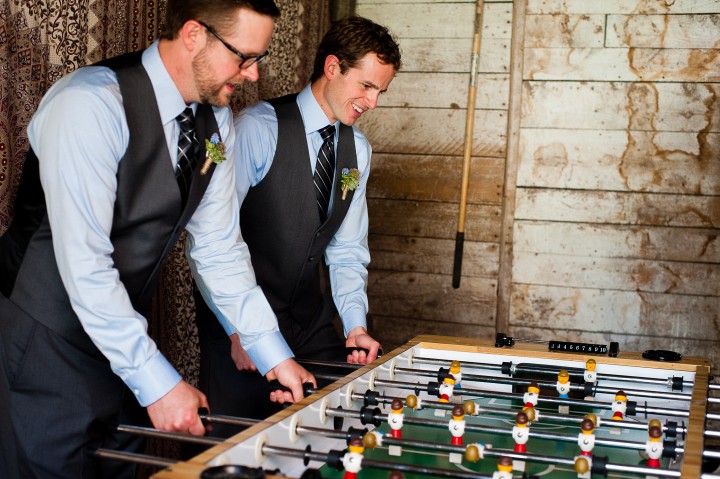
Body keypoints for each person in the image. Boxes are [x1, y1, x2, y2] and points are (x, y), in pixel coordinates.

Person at [0, 1, 316, 477]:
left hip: (125, 338)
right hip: (45, 338)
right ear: (193, 35)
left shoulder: (216, 122)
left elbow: (217, 246)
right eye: (243, 57)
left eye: (258, 60)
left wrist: (274, 354)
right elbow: (84, 264)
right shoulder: (89, 104)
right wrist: (160, 384)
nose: (252, 75)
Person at [193, 15, 402, 422]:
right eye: (367, 85)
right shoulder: (257, 128)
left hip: (310, 323)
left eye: (381, 91)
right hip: (239, 324)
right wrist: (237, 329)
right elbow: (210, 237)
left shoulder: (357, 150)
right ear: (331, 67)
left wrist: (354, 326)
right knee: (236, 447)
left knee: (333, 428)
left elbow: (346, 250)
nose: (373, 102)